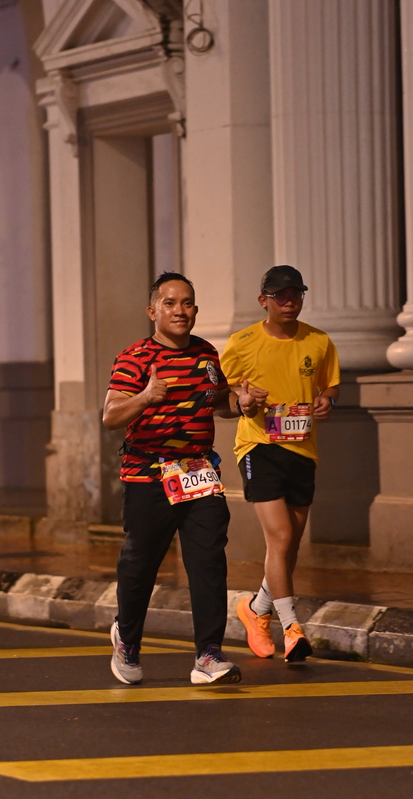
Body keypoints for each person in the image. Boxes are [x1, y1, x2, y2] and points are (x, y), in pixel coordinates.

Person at [102, 271, 241, 686]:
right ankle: (127, 640)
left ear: (195, 310)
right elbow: (110, 416)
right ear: (153, 311)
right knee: (141, 562)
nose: (180, 311)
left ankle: (208, 654)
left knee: (209, 560)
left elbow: (218, 402)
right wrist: (146, 396)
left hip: (199, 472)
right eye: (170, 303)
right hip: (149, 474)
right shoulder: (134, 358)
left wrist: (242, 403)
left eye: (187, 303)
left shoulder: (207, 354)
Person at [220, 265, 340, 663]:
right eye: (280, 296)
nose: (289, 302)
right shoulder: (242, 343)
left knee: (289, 547)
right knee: (281, 537)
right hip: (259, 446)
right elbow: (219, 393)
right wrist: (243, 401)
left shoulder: (319, 341)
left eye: (295, 294)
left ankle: (256, 610)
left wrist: (328, 400)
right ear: (264, 301)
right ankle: (292, 628)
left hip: (303, 450)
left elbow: (331, 383)